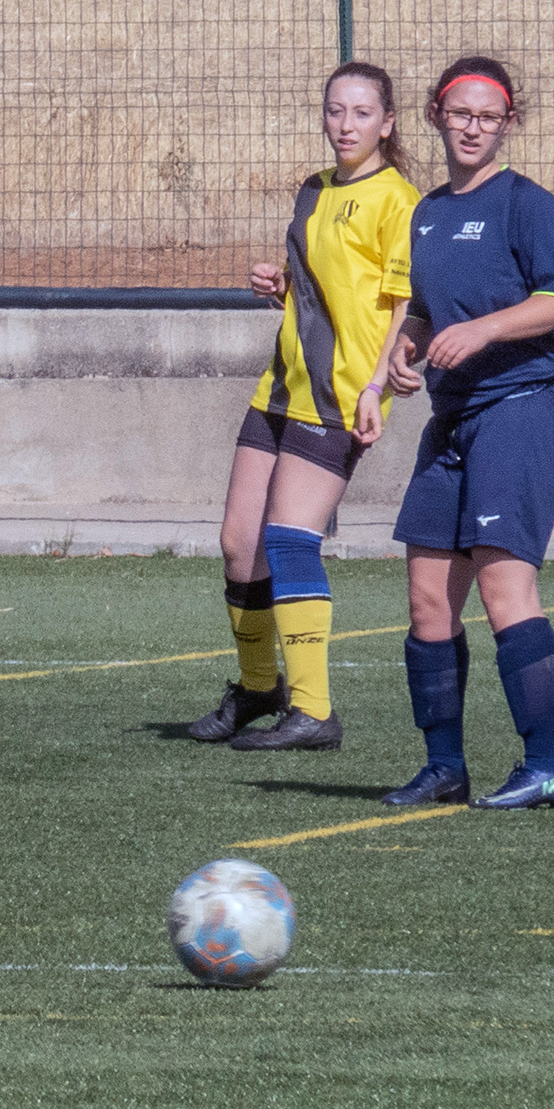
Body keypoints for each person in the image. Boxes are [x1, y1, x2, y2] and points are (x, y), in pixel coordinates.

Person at [188, 61, 420, 752]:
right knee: (240, 544)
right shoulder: (313, 189)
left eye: (361, 113)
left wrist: (377, 387)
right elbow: (325, 288)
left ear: (388, 123)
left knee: (290, 540)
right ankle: (259, 688)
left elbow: (405, 306)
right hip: (281, 386)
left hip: (341, 394)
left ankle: (314, 711)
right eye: (334, 110)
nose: (345, 125)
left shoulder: (399, 200)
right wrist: (280, 286)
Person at [381, 56, 554, 808]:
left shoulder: (528, 205)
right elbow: (425, 308)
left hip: (519, 406)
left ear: (508, 123)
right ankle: (444, 768)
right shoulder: (427, 212)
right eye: (461, 114)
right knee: (427, 598)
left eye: (489, 116)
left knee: (505, 587)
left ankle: (546, 763)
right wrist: (406, 347)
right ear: (436, 116)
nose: (474, 128)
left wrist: (483, 330)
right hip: (449, 418)